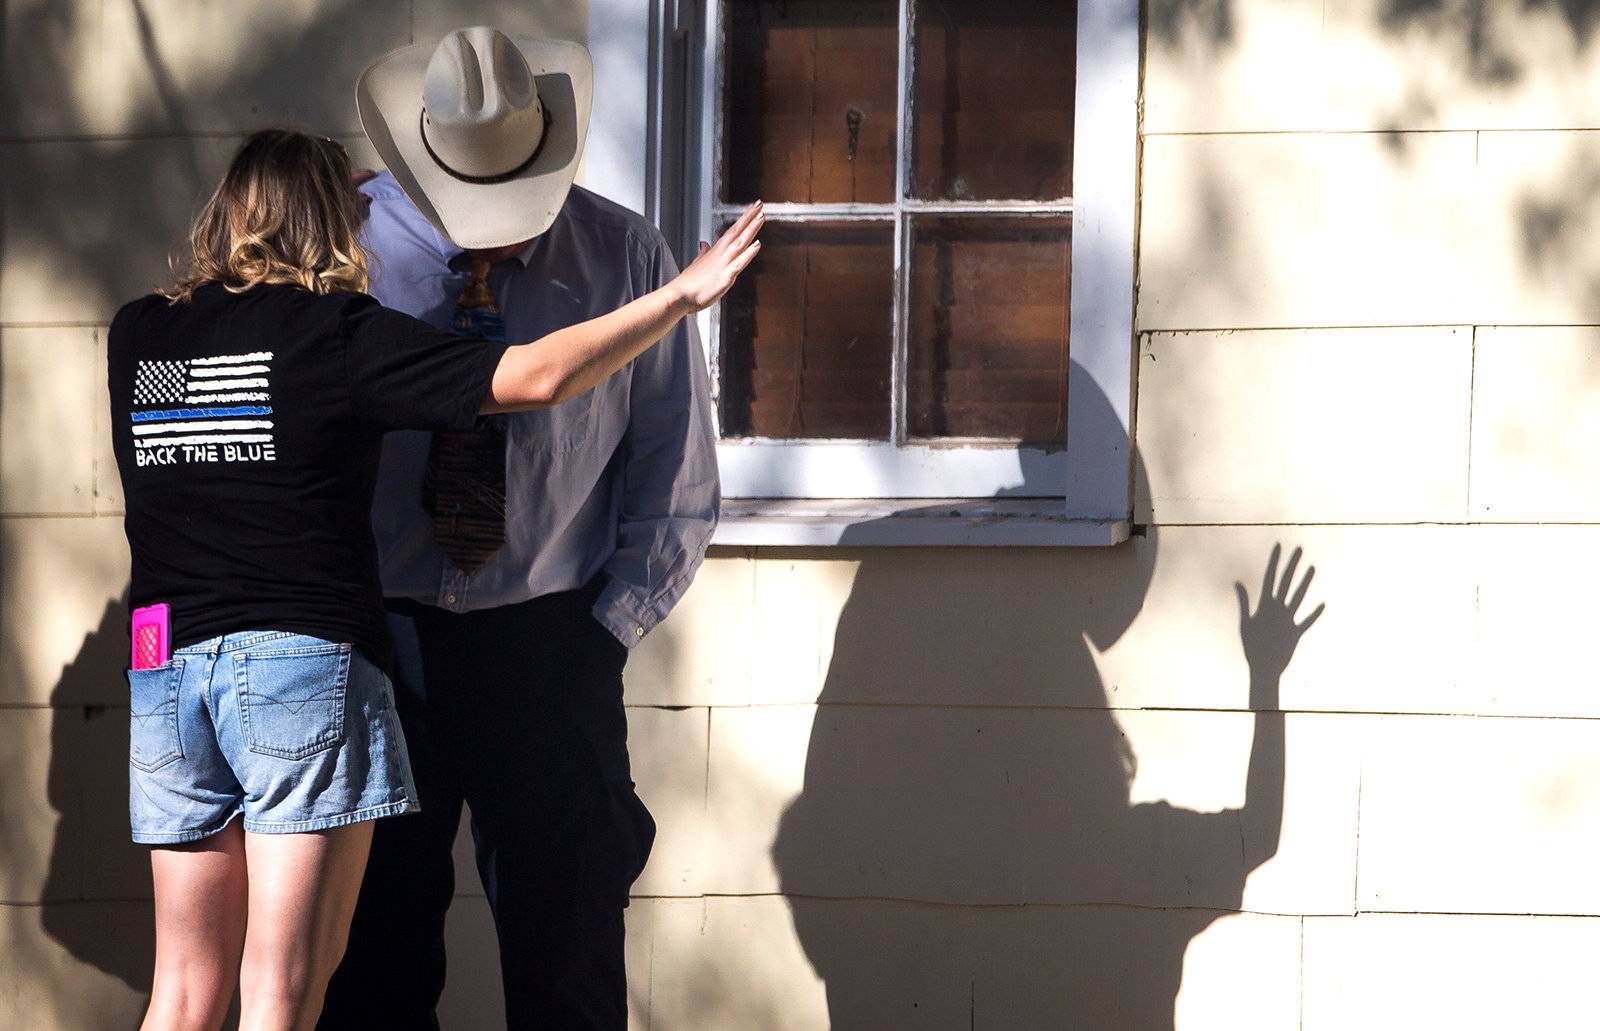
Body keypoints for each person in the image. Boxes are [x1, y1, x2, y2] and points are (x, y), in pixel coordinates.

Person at [109, 126, 761, 1031]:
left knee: (183, 986)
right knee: (293, 986)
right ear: (344, 218)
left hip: (167, 665)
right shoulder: (336, 332)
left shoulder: (137, 334)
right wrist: (684, 295)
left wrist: (597, 632)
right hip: (319, 660)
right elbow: (532, 376)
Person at [320, 26, 720, 1031]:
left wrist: (603, 631)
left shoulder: (624, 254)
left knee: (567, 946)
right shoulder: (341, 250)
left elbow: (672, 465)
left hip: (546, 638)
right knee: (370, 952)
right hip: (376, 639)